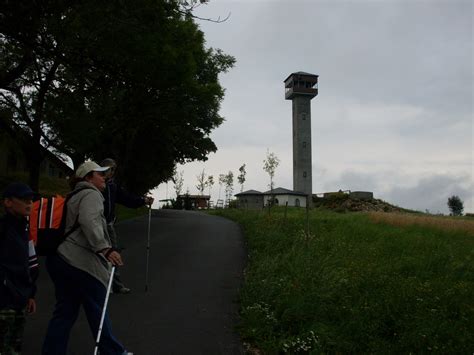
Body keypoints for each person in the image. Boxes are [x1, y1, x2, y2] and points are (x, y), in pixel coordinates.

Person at [42, 161, 133, 355]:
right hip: (79, 261)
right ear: (87, 177)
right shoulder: (91, 194)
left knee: (65, 312)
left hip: (60, 259)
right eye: (99, 174)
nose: (104, 177)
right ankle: (112, 352)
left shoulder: (74, 196)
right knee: (97, 306)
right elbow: (89, 222)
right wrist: (106, 249)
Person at [100, 158, 154, 294]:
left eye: (113, 170)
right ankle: (102, 284)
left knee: (113, 253)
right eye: (109, 169)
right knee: (99, 253)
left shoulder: (113, 186)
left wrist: (143, 200)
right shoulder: (97, 184)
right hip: (96, 224)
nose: (111, 172)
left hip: (109, 224)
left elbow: (127, 199)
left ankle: (116, 284)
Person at [0, 182, 38, 354]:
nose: (29, 203)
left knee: (15, 345)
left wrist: (31, 294)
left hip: (22, 298)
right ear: (8, 202)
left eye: (30, 200)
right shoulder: (3, 228)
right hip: (4, 299)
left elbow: (31, 263)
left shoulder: (25, 229)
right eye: (24, 200)